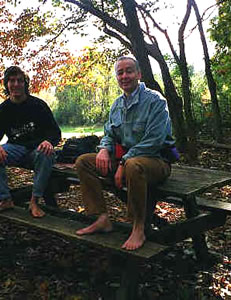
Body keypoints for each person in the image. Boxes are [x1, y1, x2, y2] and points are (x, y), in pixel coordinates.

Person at [75, 56, 175, 251]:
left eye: (129, 71)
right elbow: (109, 134)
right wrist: (104, 149)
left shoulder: (156, 101)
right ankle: (102, 218)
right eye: (120, 73)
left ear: (139, 74)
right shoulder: (117, 105)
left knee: (132, 165)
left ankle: (139, 227)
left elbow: (154, 141)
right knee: (83, 162)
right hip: (127, 162)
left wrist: (123, 162)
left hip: (156, 162)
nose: (124, 76)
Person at [0, 66, 61, 217]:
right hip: (15, 148)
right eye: (12, 81)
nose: (16, 84)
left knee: (47, 154)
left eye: (20, 80)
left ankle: (34, 201)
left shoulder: (38, 106)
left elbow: (55, 132)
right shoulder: (3, 110)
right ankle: (5, 199)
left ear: (25, 84)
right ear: (6, 84)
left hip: (37, 150)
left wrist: (48, 141)